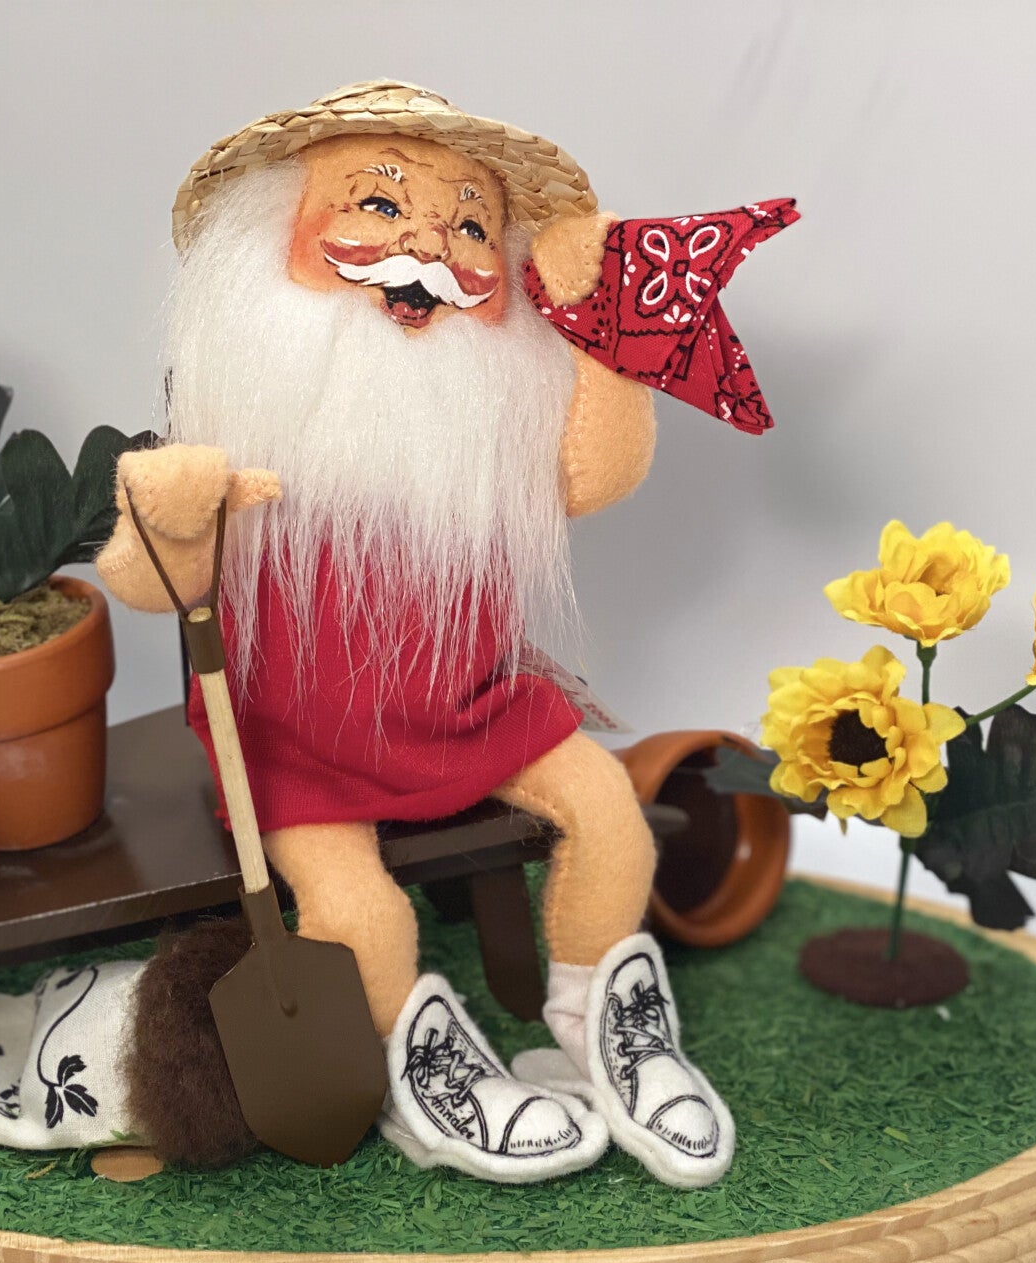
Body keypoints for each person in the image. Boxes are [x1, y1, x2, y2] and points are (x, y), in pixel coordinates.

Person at [95, 82, 733, 1187]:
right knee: (363, 916)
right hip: (298, 744)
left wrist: (602, 332)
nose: (430, 244)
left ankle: (603, 1029)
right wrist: (172, 515)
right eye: (381, 205)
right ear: (269, 241)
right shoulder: (239, 425)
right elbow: (149, 587)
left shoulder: (491, 429)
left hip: (474, 705)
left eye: (470, 224)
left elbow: (594, 474)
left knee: (613, 820)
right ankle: (414, 1064)